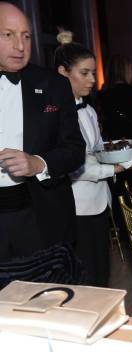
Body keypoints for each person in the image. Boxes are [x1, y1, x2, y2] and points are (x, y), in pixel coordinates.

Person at [54, 32, 132, 286]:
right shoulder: (56, 113)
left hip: (100, 202)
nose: (93, 79)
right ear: (63, 72)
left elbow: (94, 148)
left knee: (103, 272)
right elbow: (73, 165)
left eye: (93, 72)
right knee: (85, 276)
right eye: (85, 73)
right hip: (76, 206)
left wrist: (120, 148)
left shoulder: (89, 109)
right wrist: (116, 167)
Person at [0, 2, 84, 262]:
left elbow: (74, 149)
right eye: (8, 34)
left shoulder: (54, 85)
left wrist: (38, 163)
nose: (21, 45)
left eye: (26, 36)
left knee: (44, 295)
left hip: (38, 216)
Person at [99, 54, 132, 212]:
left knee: (119, 189)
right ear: (124, 70)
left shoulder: (104, 92)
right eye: (131, 68)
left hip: (113, 150)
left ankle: (122, 226)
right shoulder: (129, 91)